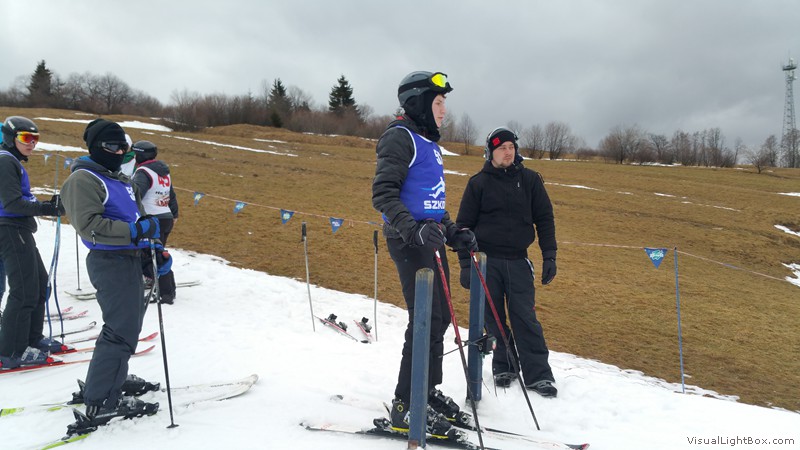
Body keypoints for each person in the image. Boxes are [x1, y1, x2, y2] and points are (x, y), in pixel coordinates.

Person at [372, 71, 477, 436]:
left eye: (444, 103)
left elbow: (431, 202)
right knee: (424, 319)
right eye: (438, 102)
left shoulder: (428, 142)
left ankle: (426, 391)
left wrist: (452, 231)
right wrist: (412, 229)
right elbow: (384, 195)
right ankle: (405, 403)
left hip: (428, 240)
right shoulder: (399, 137)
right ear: (418, 103)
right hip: (408, 240)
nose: (444, 110)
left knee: (440, 318)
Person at [61, 119, 169, 433]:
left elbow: (138, 218)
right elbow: (89, 226)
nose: (119, 152)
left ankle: (111, 379)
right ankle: (102, 399)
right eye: (112, 146)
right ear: (96, 147)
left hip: (130, 258)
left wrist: (152, 249)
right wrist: (135, 231)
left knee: (127, 327)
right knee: (121, 331)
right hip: (110, 261)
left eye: (124, 147)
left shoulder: (119, 179)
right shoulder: (83, 179)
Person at [455, 126, 559, 397]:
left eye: (511, 147)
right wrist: (466, 265)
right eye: (502, 148)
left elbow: (545, 218)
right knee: (493, 318)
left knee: (525, 317)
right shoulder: (478, 183)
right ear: (490, 152)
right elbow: (463, 227)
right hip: (486, 261)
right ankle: (505, 365)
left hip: (517, 260)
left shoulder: (530, 180)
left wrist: (549, 255)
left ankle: (539, 374)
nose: (508, 152)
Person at [0, 116, 65, 370]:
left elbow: (21, 198)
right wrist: (46, 208)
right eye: (26, 138)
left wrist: (46, 205)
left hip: (18, 229)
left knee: (39, 284)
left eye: (35, 139)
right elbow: (12, 204)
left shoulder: (12, 161)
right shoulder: (5, 161)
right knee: (24, 290)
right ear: (10, 137)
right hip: (9, 229)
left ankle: (32, 339)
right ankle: (11, 352)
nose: (32, 144)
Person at [131, 140, 179, 304]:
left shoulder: (143, 172)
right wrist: (174, 214)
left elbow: (136, 194)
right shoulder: (163, 172)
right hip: (165, 217)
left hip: (152, 219)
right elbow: (171, 195)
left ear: (140, 155)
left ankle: (165, 294)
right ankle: (167, 288)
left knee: (151, 257)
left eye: (135, 154)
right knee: (158, 254)